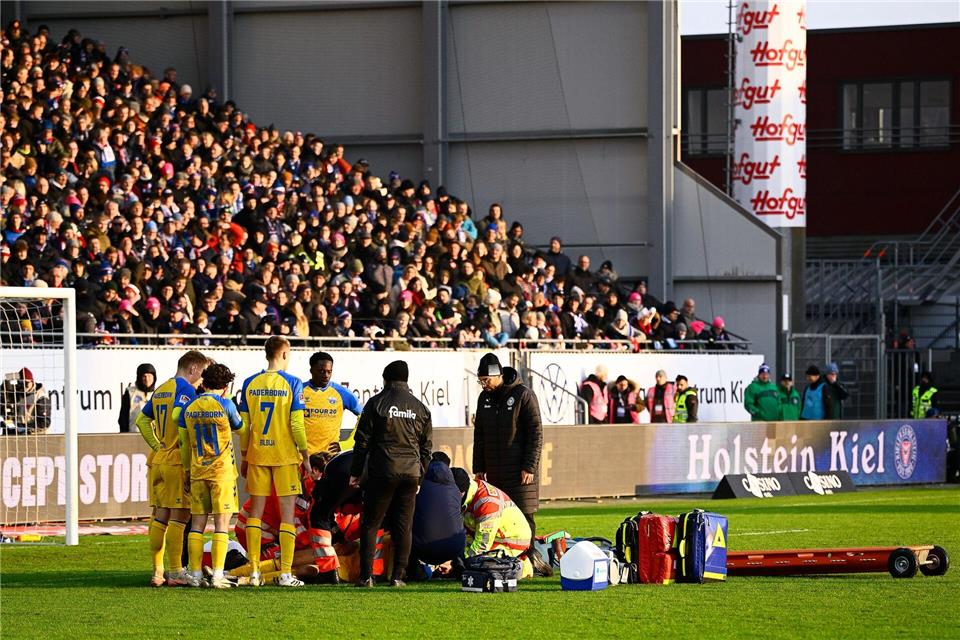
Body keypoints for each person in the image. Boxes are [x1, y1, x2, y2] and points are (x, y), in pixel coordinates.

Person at [237, 336, 314, 587]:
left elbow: (244, 427)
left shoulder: (250, 383)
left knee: (255, 514)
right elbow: (297, 425)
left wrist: (245, 455)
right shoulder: (293, 383)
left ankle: (255, 572)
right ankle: (285, 574)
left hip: (258, 455)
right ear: (283, 354)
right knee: (287, 515)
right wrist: (305, 456)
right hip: (285, 457)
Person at [349, 360, 433, 588]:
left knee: (371, 524)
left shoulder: (376, 403)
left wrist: (355, 472)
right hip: (411, 473)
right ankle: (398, 577)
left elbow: (362, 441)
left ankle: (366, 577)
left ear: (385, 379)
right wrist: (420, 476)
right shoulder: (421, 408)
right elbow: (426, 449)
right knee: (404, 526)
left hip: (383, 471)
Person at [135, 350, 209, 587]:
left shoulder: (161, 389)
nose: (201, 380)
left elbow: (141, 421)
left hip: (158, 460)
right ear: (193, 369)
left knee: (160, 516)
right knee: (179, 518)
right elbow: (179, 418)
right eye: (202, 374)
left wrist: (158, 445)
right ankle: (176, 571)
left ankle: (157, 571)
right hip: (176, 460)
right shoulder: (185, 389)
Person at [178, 363, 242, 588]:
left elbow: (184, 443)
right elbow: (241, 427)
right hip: (221, 473)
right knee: (221, 524)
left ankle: (195, 574)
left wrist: (187, 471)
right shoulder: (226, 405)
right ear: (226, 386)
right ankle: (217, 574)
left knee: (197, 524)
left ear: (204, 382)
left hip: (197, 471)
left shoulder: (189, 407)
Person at [472, 353, 543, 547]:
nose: (484, 385)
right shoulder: (483, 398)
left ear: (499, 375)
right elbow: (479, 435)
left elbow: (536, 433)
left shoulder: (523, 395)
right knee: (498, 517)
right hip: (495, 473)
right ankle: (502, 558)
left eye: (486, 380)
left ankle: (528, 556)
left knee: (524, 517)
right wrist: (479, 467)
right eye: (480, 381)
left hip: (520, 472)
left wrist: (529, 466)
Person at [451, 468, 533, 579]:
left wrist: (462, 562)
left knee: (482, 567)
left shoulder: (487, 502)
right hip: (488, 537)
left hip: (509, 541)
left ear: (461, 493)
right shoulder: (468, 494)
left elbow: (482, 544)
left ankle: (523, 565)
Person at [410, 452, 467, 577]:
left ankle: (411, 570)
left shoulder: (417, 486)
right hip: (453, 549)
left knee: (404, 528)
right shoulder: (455, 490)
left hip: (422, 549)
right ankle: (460, 565)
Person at [303, 352, 363, 456]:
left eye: (329, 372)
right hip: (302, 458)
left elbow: (365, 416)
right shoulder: (299, 391)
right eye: (321, 371)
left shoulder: (341, 392)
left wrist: (347, 444)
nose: (326, 376)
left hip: (330, 457)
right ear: (311, 370)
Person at [118, 363, 156, 433]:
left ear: (154, 377)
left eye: (149, 376)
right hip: (133, 434)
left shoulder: (158, 394)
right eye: (144, 376)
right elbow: (123, 418)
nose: (147, 379)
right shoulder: (130, 392)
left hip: (153, 436)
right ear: (139, 377)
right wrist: (124, 435)